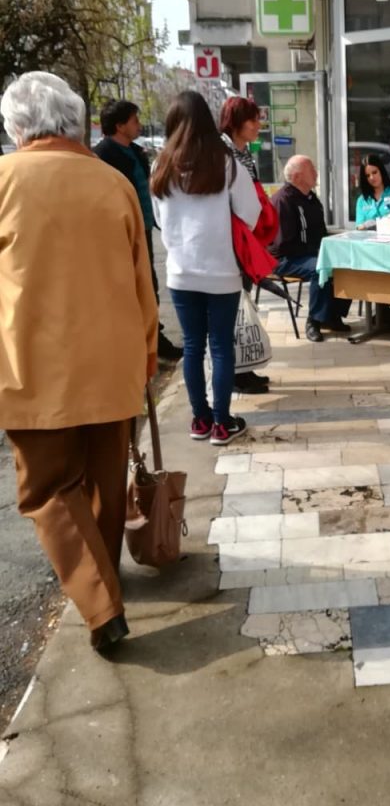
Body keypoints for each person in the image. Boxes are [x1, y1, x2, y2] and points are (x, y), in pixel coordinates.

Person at [0, 72, 158, 653]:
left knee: (46, 489)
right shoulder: (112, 183)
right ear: (75, 123)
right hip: (113, 362)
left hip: (31, 365)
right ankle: (104, 587)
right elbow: (142, 277)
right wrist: (148, 352)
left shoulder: (4, 180)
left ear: (18, 128)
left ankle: (100, 603)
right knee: (104, 487)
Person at [151, 91, 261, 445]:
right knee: (221, 347)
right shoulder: (225, 162)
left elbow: (158, 218)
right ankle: (221, 423)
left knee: (193, 346)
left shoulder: (160, 164)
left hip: (181, 271)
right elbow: (251, 212)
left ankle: (199, 419)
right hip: (221, 270)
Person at [94, 99, 183, 362]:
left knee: (148, 284)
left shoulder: (135, 151)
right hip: (120, 232)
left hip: (142, 229)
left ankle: (154, 339)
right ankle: (138, 345)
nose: (139, 125)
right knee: (129, 287)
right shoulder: (102, 156)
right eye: (134, 121)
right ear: (119, 125)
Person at [219, 96, 278, 394]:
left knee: (243, 302)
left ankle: (243, 367)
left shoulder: (243, 152)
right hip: (229, 238)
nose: (258, 125)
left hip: (246, 236)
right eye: (252, 120)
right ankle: (234, 373)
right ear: (236, 121)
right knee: (232, 307)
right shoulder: (222, 152)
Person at [270, 155, 351, 343]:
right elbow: (283, 244)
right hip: (283, 258)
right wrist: (318, 253)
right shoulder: (283, 201)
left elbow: (320, 232)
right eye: (312, 170)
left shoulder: (311, 198)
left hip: (308, 253)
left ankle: (331, 316)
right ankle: (313, 320)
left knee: (345, 263)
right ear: (297, 177)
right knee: (320, 268)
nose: (316, 173)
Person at [355, 153, 390, 227]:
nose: (372, 177)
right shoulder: (362, 200)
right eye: (367, 175)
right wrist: (367, 225)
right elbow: (359, 228)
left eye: (374, 172)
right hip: (370, 234)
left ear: (381, 170)